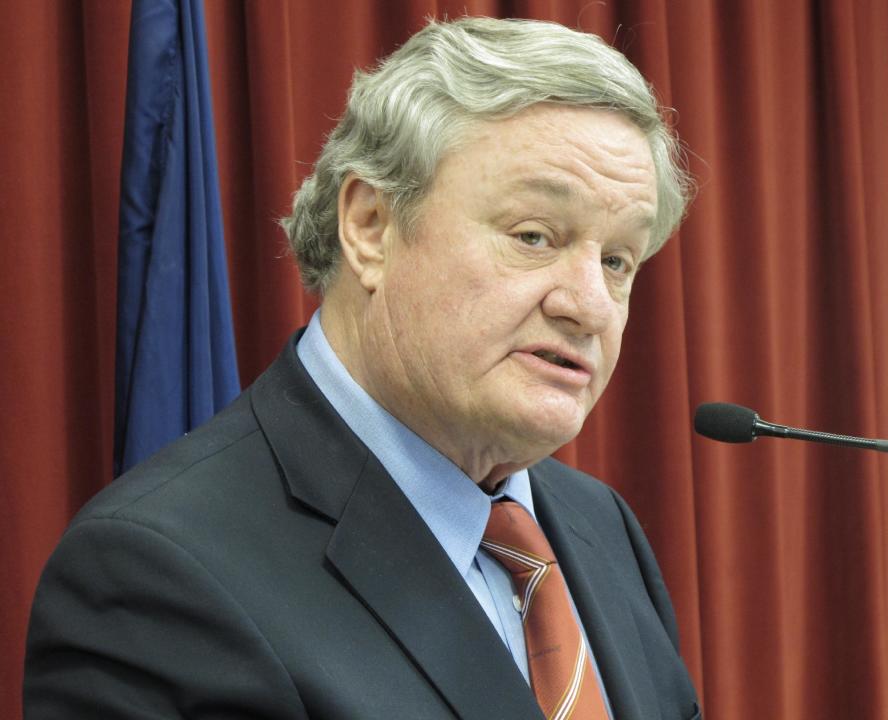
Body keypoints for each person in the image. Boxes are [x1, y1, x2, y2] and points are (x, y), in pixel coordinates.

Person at [25, 16, 700, 719]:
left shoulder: (600, 526)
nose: (590, 305)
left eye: (618, 260)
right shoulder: (156, 577)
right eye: (534, 236)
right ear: (371, 226)